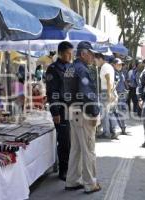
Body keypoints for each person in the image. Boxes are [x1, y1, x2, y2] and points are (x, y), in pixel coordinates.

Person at [64, 41, 101, 194]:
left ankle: (72, 180)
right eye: (91, 53)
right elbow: (87, 93)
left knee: (77, 148)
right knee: (88, 149)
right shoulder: (82, 69)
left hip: (73, 110)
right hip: (83, 111)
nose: (93, 57)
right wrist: (94, 113)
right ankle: (90, 183)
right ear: (84, 53)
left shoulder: (70, 68)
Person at [46, 41, 73, 181]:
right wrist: (55, 112)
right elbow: (52, 92)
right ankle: (63, 170)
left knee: (71, 141)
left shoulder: (70, 67)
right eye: (68, 53)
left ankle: (70, 167)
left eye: (71, 53)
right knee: (64, 141)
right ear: (61, 53)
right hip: (61, 109)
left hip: (72, 109)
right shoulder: (53, 69)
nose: (70, 56)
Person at [95, 53, 117, 139]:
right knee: (109, 112)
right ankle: (111, 131)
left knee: (105, 113)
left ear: (100, 59)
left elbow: (109, 80)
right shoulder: (108, 66)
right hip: (109, 91)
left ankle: (106, 132)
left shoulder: (104, 67)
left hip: (106, 91)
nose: (95, 62)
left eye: (95, 60)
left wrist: (109, 93)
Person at [113, 58, 128, 135]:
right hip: (117, 95)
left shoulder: (121, 73)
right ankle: (122, 127)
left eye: (121, 64)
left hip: (122, 95)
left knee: (122, 111)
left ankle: (123, 127)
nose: (120, 66)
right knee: (118, 112)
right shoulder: (113, 73)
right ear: (114, 65)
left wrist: (126, 90)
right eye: (118, 64)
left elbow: (123, 83)